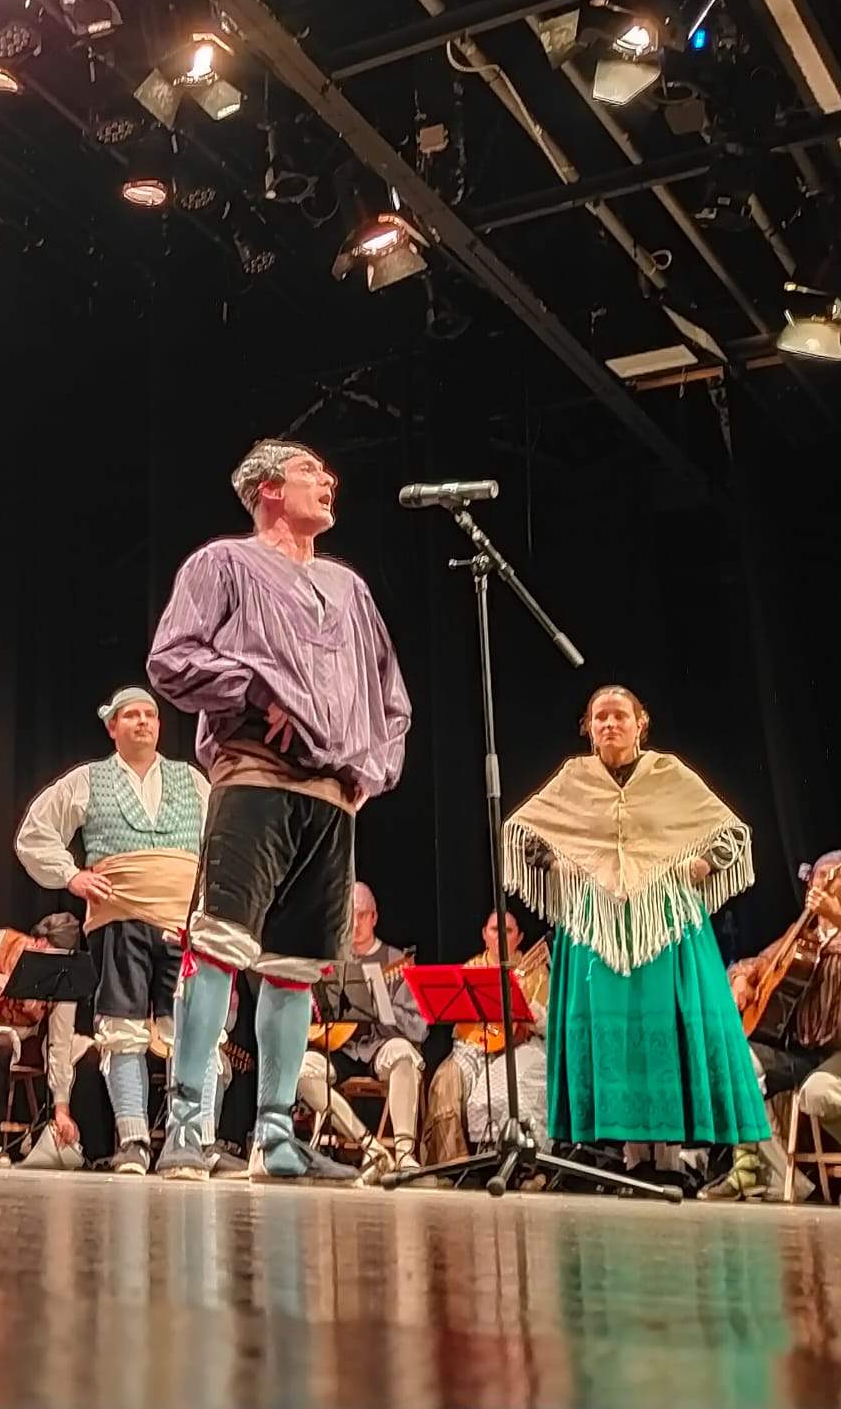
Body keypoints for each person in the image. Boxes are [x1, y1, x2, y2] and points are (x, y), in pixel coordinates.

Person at [146, 438, 411, 1182]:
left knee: (295, 968)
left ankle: (276, 1137)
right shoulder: (223, 564)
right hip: (256, 779)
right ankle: (187, 1128)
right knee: (219, 948)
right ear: (268, 489)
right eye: (308, 471)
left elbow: (391, 699)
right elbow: (172, 658)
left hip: (332, 798)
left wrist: (372, 771)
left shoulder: (350, 588)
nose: (328, 479)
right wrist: (257, 689)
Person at [503, 684, 768, 1187]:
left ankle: (668, 1160)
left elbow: (731, 833)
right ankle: (627, 1158)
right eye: (600, 717)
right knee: (613, 1037)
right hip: (597, 927)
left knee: (662, 1030)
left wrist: (702, 864)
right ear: (588, 728)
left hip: (662, 924)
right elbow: (523, 831)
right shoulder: (575, 778)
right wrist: (558, 863)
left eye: (619, 716)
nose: (609, 724)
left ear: (640, 723)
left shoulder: (667, 774)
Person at [14, 684, 208, 1175]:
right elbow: (34, 834)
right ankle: (134, 1141)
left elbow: (220, 846)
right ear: (112, 727)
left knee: (189, 1030)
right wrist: (71, 876)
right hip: (118, 922)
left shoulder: (191, 780)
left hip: (180, 925)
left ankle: (188, 1141)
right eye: (132, 715)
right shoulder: (89, 780)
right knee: (122, 1030)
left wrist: (207, 909)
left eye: (150, 715)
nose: (143, 722)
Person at [703, 847, 841, 1204]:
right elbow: (755, 962)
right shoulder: (799, 937)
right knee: (732, 1062)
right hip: (801, 1052)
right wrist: (740, 979)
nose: (822, 881)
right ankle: (758, 1173)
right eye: (817, 875)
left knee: (819, 1092)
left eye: (834, 875)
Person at [299, 881, 427, 1177]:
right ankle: (369, 1145)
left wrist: (382, 1004)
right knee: (302, 1070)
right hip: (338, 1048)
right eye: (350, 914)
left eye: (362, 915)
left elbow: (419, 1029)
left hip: (380, 1046)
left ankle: (404, 1154)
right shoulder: (330, 959)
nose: (355, 923)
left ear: (374, 917)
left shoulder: (396, 961)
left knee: (403, 1054)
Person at [420, 908, 551, 1166]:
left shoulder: (534, 970)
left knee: (508, 1085)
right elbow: (461, 1023)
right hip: (474, 1046)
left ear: (519, 937)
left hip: (517, 1047)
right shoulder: (472, 969)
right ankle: (452, 1164)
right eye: (494, 930)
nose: (500, 936)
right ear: (484, 934)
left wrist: (525, 1008)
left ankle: (519, 1164)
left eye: (508, 931)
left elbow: (546, 1021)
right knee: (445, 1080)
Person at [0, 912, 83, 1168]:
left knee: (88, 1052)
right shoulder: (4, 941)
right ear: (39, 942)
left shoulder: (63, 977)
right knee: (1, 1044)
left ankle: (84, 1147)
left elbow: (60, 1041)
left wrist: (61, 1108)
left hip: (28, 1035)